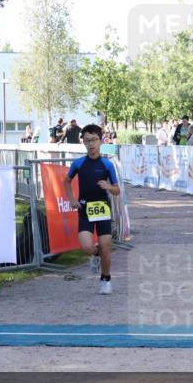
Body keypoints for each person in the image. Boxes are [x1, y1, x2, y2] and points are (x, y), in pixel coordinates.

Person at [65, 124, 121, 295]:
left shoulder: (107, 165)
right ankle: (95, 255)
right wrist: (72, 199)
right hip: (85, 209)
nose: (91, 144)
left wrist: (109, 186)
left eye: (94, 140)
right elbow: (66, 181)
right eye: (87, 140)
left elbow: (117, 191)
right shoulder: (78, 163)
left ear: (101, 141)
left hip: (103, 209)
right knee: (87, 246)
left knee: (106, 247)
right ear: (83, 142)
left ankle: (105, 279)